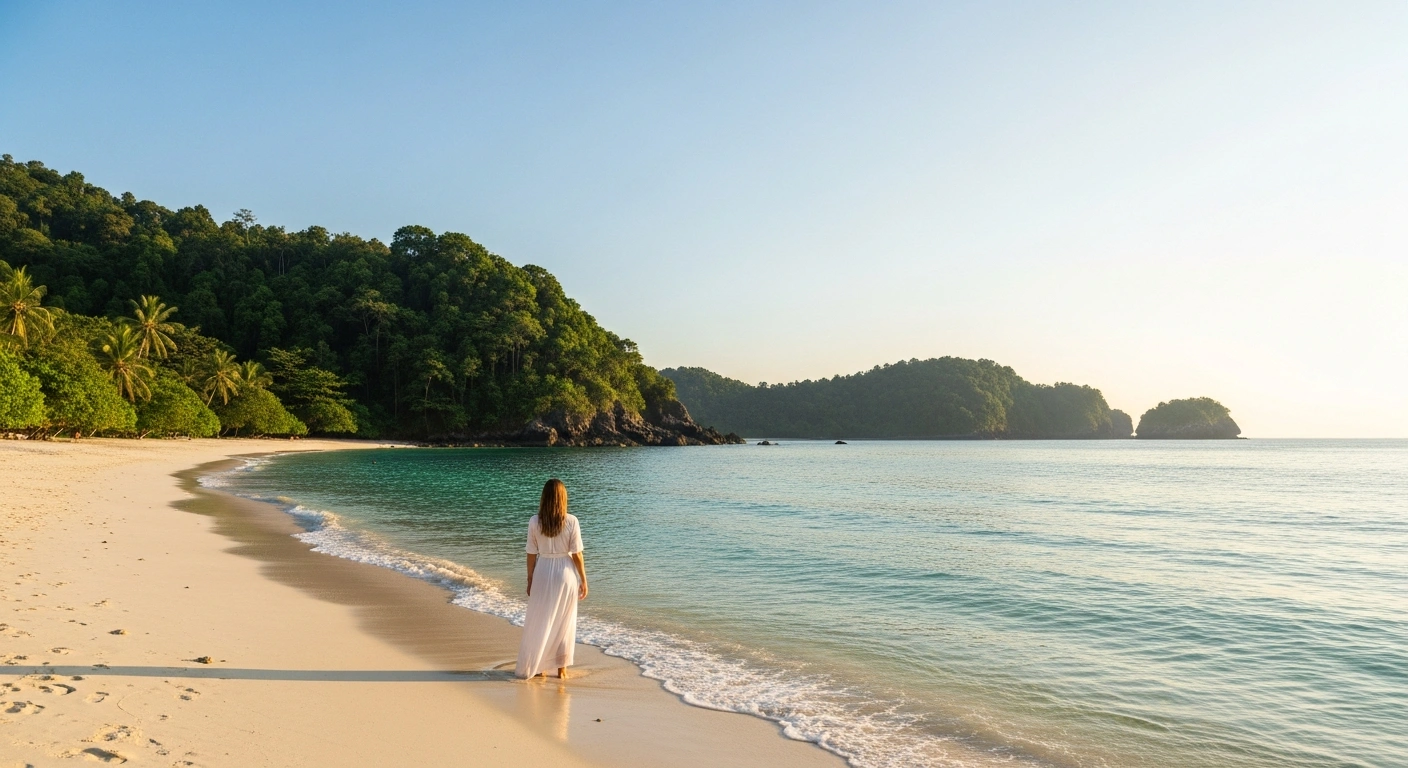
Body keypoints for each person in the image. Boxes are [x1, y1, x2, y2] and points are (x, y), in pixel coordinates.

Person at [515, 478, 588, 679]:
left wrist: (530, 579)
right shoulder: (572, 521)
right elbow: (577, 554)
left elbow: (531, 553)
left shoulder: (534, 521)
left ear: (544, 498)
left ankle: (539, 666)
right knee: (565, 621)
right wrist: (583, 579)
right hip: (565, 573)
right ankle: (562, 669)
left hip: (543, 570)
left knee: (541, 620)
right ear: (563, 498)